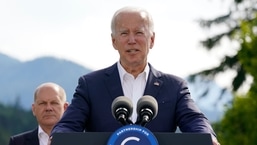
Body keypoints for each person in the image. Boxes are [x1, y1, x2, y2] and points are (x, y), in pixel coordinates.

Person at [51, 6, 220, 145]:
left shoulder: (174, 87)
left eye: (139, 33)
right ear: (114, 41)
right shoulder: (90, 85)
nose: (132, 40)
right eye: (124, 33)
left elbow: (194, 120)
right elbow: (68, 124)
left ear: (152, 40)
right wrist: (56, 138)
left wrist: (208, 137)